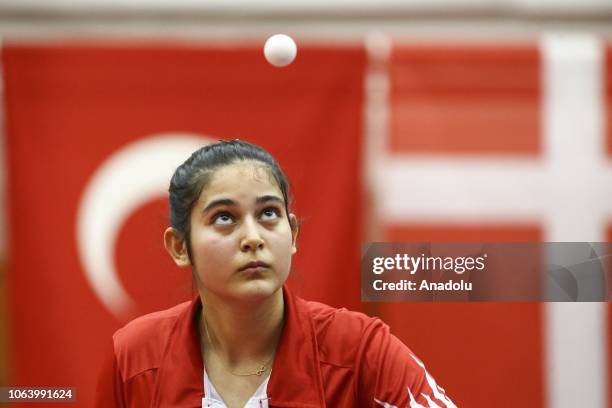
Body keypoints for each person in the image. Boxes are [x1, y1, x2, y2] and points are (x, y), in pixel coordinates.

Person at [95, 140, 456, 408]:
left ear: (293, 233)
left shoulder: (361, 351)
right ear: (179, 247)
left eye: (268, 213)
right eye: (225, 218)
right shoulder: (134, 358)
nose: (253, 238)